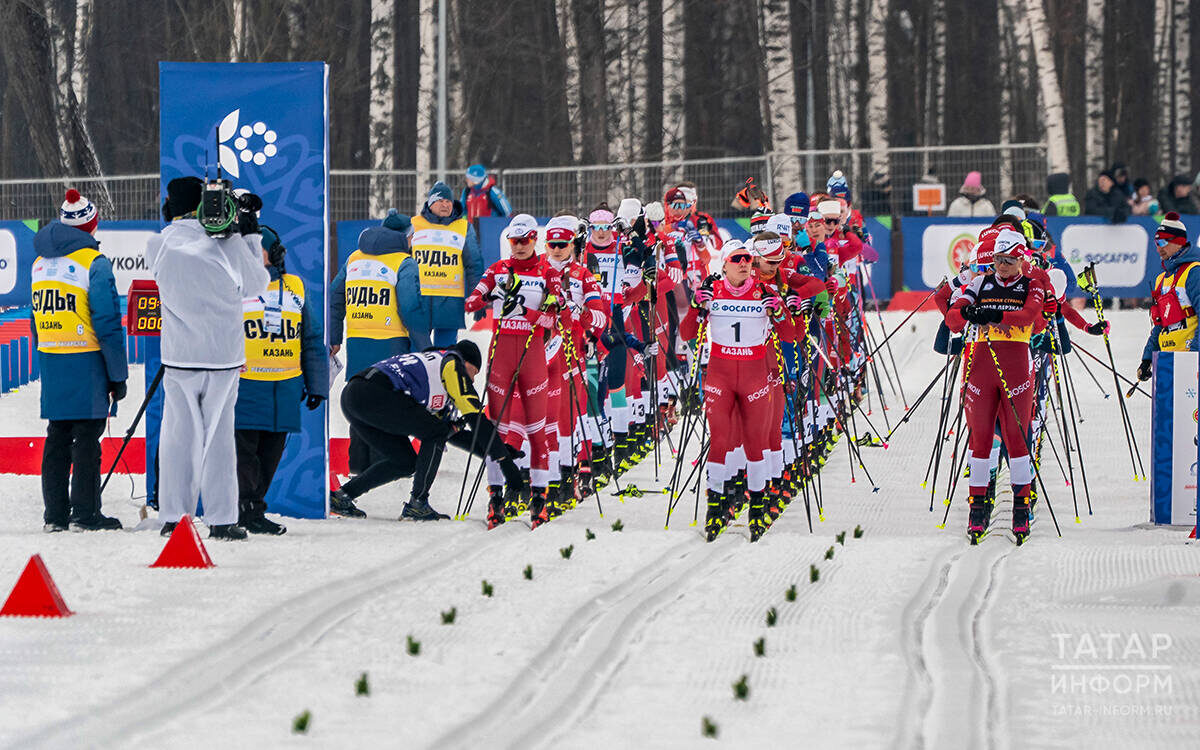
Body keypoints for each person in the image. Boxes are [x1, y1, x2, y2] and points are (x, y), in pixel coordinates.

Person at [146, 177, 270, 540]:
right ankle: (222, 519)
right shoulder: (227, 244)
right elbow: (257, 285)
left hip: (180, 355)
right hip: (222, 356)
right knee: (219, 441)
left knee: (177, 439)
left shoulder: (159, 245)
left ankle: (173, 515)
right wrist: (248, 236)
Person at [329, 341, 523, 521]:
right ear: (465, 362)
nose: (472, 380)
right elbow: (475, 418)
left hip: (354, 397)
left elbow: (454, 434)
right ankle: (418, 503)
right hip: (373, 394)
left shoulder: (436, 371)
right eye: (474, 372)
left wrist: (499, 450)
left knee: (405, 461)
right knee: (435, 432)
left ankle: (342, 496)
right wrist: (504, 461)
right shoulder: (451, 363)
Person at [31, 189, 128, 532]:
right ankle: (85, 514)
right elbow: (106, 323)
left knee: (57, 436)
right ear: (92, 223)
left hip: (53, 359)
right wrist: (118, 375)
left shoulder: (39, 263)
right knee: (87, 438)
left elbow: (34, 320)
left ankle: (54, 516)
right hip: (87, 363)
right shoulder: (93, 263)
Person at [946, 227, 1047, 543]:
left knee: (1017, 439)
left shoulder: (1032, 286)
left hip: (1016, 364)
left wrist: (993, 313)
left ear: (1021, 259)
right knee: (981, 439)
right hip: (982, 366)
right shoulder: (980, 282)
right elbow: (952, 319)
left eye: (1008, 260)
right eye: (997, 260)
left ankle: (1021, 504)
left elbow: (1028, 316)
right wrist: (965, 310)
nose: (1001, 266)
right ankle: (977, 504)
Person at [681, 241, 785, 542]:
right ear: (724, 264)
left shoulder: (765, 292)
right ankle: (715, 508)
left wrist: (779, 313)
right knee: (721, 440)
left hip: (754, 376)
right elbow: (687, 335)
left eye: (747, 259)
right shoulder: (712, 292)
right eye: (736, 259)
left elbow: (792, 335)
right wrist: (696, 308)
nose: (744, 263)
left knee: (754, 442)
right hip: (720, 375)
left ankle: (757, 509)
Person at [464, 214, 563, 528]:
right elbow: (470, 303)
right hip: (501, 356)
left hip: (532, 357)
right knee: (497, 433)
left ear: (535, 239)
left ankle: (539, 500)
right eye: (514, 241)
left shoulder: (547, 270)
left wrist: (524, 310)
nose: (519, 247)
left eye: (524, 241)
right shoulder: (497, 269)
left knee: (537, 432)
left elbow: (553, 317)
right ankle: (496, 498)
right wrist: (488, 296)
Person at [233, 226, 328, 535]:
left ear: (274, 254)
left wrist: (317, 384)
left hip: (285, 389)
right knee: (243, 455)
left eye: (258, 250)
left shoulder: (296, 287)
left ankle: (253, 507)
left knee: (269, 456)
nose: (252, 256)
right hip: (245, 387)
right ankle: (246, 509)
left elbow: (312, 338)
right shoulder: (233, 285)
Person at [329, 209, 426, 495]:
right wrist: (425, 348)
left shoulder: (354, 259)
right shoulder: (403, 262)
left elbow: (335, 298)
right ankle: (386, 461)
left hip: (359, 340)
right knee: (388, 403)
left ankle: (358, 462)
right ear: (405, 237)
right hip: (392, 344)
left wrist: (335, 336)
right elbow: (410, 307)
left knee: (359, 401)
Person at [407, 181, 483, 348]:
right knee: (416, 356)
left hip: (449, 303)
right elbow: (400, 261)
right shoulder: (413, 225)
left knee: (446, 354)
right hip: (419, 301)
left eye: (448, 201)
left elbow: (474, 266)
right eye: (440, 200)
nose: (445, 204)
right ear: (430, 203)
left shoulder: (463, 227)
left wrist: (477, 299)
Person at [1138, 212, 1200, 383]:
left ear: (1178, 242)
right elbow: (1159, 324)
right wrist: (1147, 359)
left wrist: (1195, 355)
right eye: (1157, 243)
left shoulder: (1194, 272)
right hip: (1166, 358)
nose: (1159, 248)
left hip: (1189, 357)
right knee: (1166, 410)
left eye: (1163, 242)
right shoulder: (1161, 279)